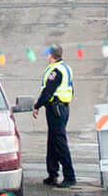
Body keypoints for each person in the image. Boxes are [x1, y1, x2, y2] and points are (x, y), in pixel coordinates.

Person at [31, 46, 76, 187]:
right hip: (62, 108)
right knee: (53, 142)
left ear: (51, 55)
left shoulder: (55, 71)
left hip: (56, 109)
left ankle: (69, 176)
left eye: (48, 54)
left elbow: (47, 91)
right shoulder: (65, 68)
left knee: (60, 143)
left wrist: (37, 106)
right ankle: (52, 173)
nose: (47, 57)